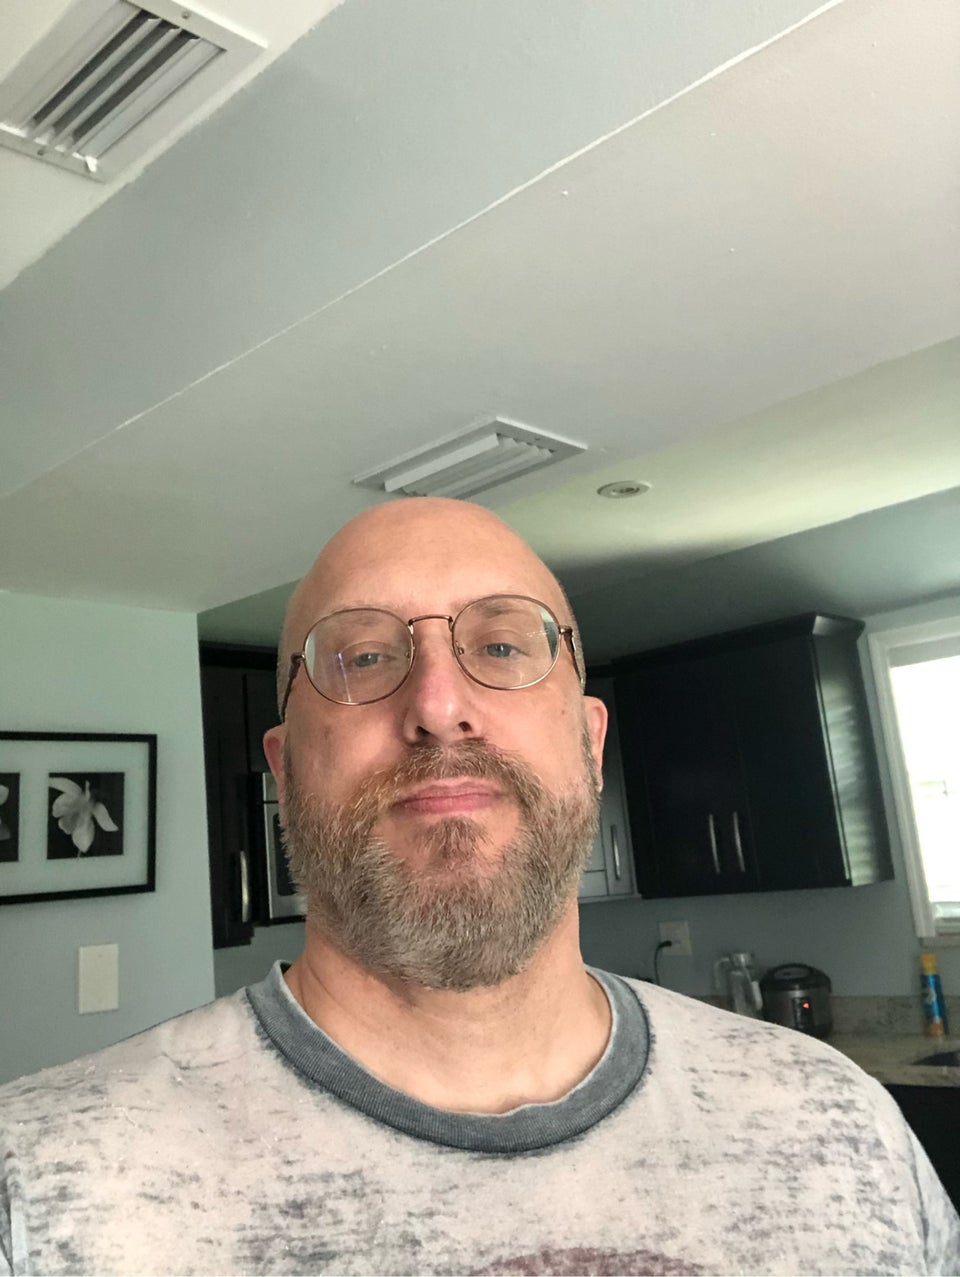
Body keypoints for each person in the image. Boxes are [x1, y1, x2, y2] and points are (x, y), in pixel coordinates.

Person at [1, 497, 958, 1277]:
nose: (437, 704)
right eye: (363, 657)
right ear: (285, 772)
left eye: (502, 646)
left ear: (589, 744)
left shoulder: (840, 1126)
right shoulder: (38, 1184)